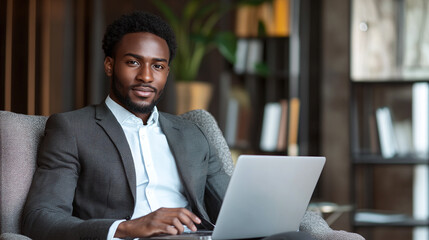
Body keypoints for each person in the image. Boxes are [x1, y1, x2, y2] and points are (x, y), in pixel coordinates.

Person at [22, 11, 230, 240]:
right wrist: (126, 228)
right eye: (133, 62)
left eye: (158, 66)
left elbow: (235, 210)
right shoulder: (72, 129)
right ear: (109, 65)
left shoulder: (193, 134)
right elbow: (40, 219)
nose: (146, 76)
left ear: (167, 72)